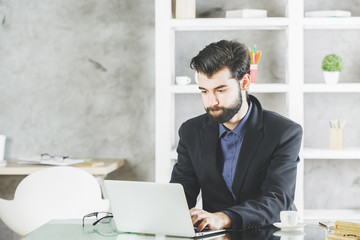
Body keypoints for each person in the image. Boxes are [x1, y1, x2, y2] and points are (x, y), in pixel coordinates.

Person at [170, 40, 303, 231]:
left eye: (221, 90)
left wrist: (223, 218)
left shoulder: (284, 132)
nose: (211, 101)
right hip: (214, 236)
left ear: (245, 82)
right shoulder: (190, 131)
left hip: (266, 234)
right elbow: (181, 194)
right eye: (204, 91)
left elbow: (277, 200)